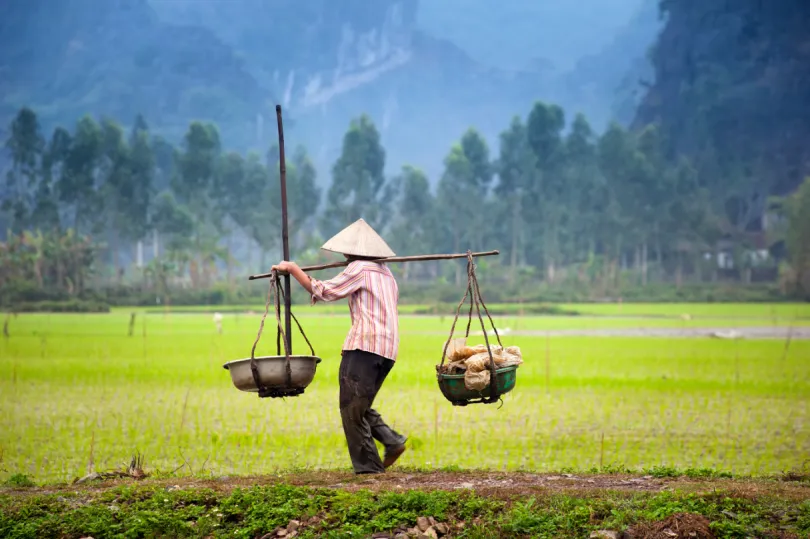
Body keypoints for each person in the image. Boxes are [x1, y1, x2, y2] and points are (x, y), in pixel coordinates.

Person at [272, 218, 407, 474]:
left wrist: (292, 269)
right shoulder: (386, 273)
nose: (344, 254)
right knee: (359, 404)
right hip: (387, 350)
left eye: (347, 250)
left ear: (354, 251)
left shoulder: (360, 268)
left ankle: (369, 470)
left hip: (365, 347)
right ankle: (391, 441)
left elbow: (324, 290)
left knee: (350, 408)